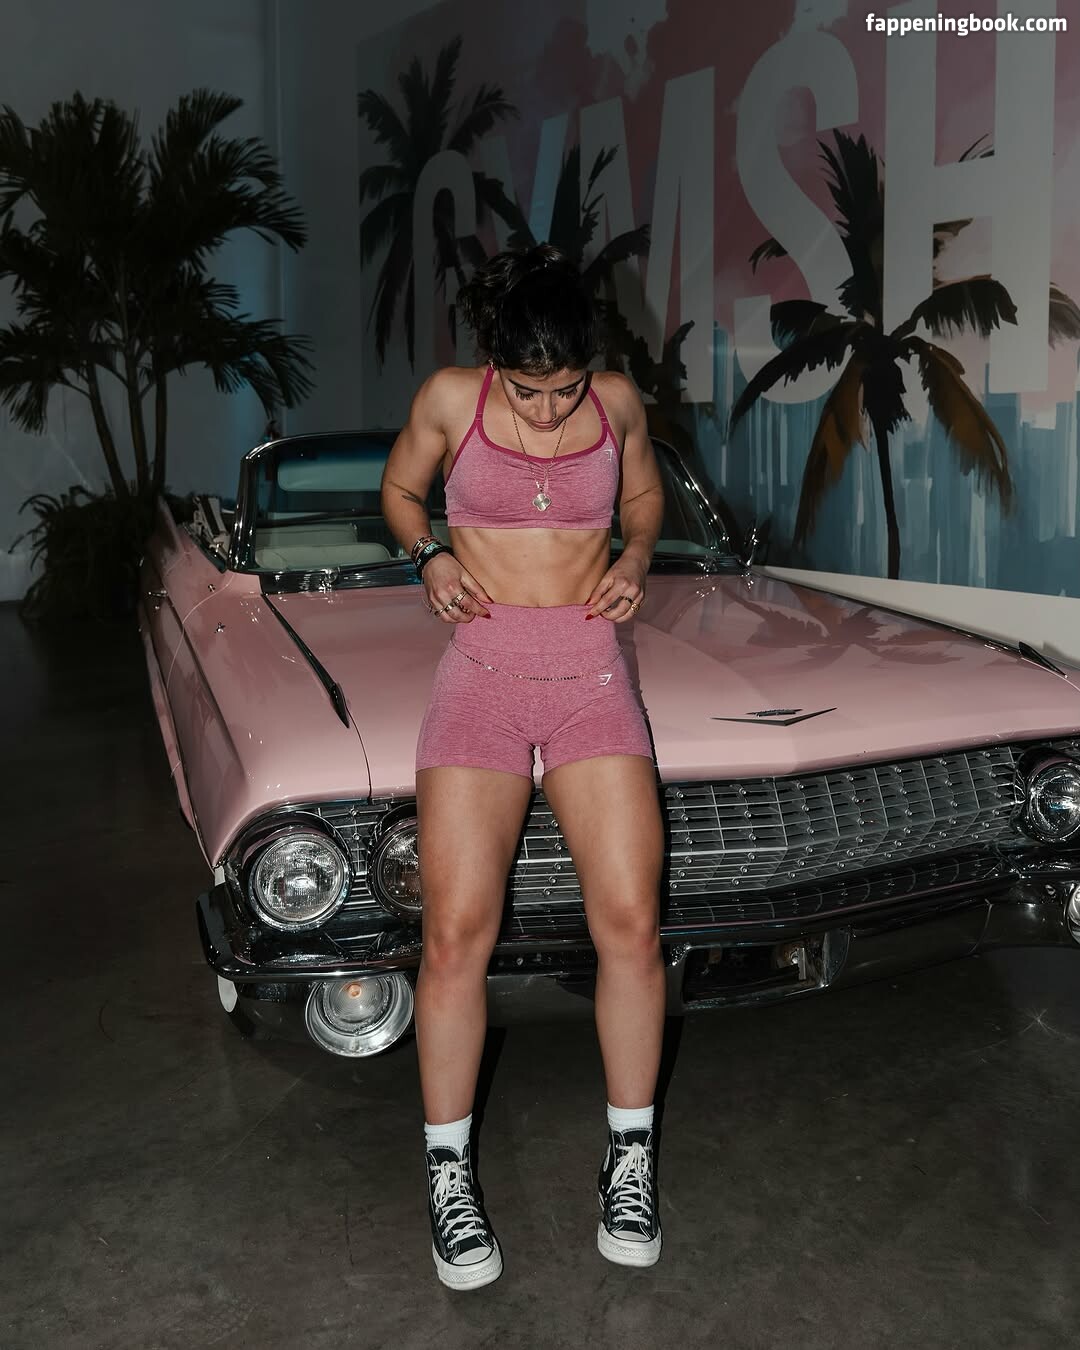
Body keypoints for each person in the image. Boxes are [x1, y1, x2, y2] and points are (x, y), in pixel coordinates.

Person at [380, 244, 667, 1291]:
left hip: (590, 674)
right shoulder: (449, 399)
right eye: (529, 392)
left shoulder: (618, 404)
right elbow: (400, 491)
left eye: (565, 391)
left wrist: (635, 556)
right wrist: (429, 555)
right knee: (456, 933)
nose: (549, 414)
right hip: (483, 675)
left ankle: (629, 1158)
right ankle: (447, 1171)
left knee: (630, 924)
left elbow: (644, 502)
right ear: (495, 361)